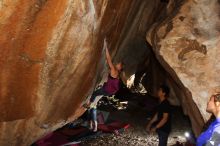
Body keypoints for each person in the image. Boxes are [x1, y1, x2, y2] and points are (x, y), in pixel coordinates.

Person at [85, 38, 123, 132]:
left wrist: (106, 47)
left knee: (94, 93)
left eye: (119, 64)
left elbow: (108, 59)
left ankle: (89, 105)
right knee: (101, 88)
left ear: (120, 67)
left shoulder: (114, 70)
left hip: (107, 91)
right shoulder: (118, 73)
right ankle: (91, 124)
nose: (117, 64)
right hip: (109, 91)